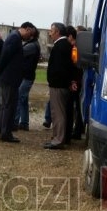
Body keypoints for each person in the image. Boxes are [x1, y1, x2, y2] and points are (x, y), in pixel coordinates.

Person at [0, 22, 36, 143]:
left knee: (6, 105)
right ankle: (6, 133)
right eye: (30, 34)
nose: (30, 37)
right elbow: (5, 56)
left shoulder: (14, 37)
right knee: (9, 105)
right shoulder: (15, 38)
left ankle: (4, 131)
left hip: (8, 77)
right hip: (9, 78)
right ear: (27, 29)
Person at [44, 22, 77, 150]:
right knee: (58, 112)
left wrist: (57, 81)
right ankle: (57, 137)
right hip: (60, 84)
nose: (50, 33)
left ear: (57, 32)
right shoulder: (64, 45)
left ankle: (58, 139)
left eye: (51, 31)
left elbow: (60, 68)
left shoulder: (60, 46)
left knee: (58, 113)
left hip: (58, 85)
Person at [14, 27, 41, 131]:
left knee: (19, 98)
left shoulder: (31, 46)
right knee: (23, 100)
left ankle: (15, 122)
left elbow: (19, 53)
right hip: (28, 75)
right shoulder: (34, 44)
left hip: (27, 76)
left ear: (31, 35)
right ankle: (24, 123)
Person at [65, 25, 84, 142]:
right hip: (78, 80)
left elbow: (76, 65)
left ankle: (77, 130)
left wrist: (74, 81)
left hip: (76, 81)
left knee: (74, 106)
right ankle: (76, 129)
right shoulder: (77, 47)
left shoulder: (75, 48)